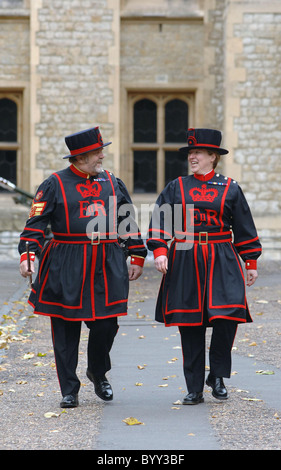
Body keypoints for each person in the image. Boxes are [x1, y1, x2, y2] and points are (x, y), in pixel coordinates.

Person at [19, 126, 147, 408]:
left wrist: (136, 253)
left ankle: (97, 372)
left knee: (106, 324)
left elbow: (127, 220)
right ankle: (69, 389)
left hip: (106, 261)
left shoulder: (113, 182)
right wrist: (28, 254)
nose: (102, 156)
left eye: (101, 151)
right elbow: (35, 226)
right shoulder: (53, 184)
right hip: (66, 261)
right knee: (65, 328)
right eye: (97, 152)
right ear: (80, 156)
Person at [147, 128, 262, 405]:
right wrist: (160, 250)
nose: (192, 157)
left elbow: (244, 227)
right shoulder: (176, 187)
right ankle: (194, 388)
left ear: (213, 156)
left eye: (197, 152)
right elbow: (160, 220)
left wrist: (251, 261)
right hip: (185, 257)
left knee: (228, 315)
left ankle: (218, 376)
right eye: (190, 153)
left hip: (222, 255)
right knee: (190, 323)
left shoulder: (230, 187)